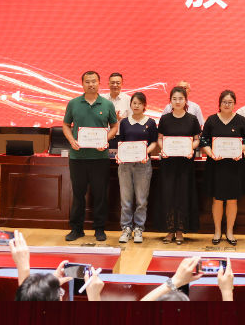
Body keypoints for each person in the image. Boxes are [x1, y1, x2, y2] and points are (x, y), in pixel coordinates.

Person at [62, 70, 119, 243]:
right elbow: (65, 125)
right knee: (78, 195)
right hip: (77, 157)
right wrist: (71, 140)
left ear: (99, 83)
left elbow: (114, 126)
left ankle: (99, 228)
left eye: (94, 81)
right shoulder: (73, 103)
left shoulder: (107, 105)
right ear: (82, 84)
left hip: (99, 158)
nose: (91, 84)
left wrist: (105, 139)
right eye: (87, 81)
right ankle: (77, 229)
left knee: (100, 195)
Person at [201, 90, 245, 247]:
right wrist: (211, 154)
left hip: (234, 166)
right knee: (217, 200)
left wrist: (240, 150)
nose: (227, 105)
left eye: (230, 102)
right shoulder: (211, 120)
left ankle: (229, 231)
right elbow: (204, 140)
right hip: (216, 165)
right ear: (220, 103)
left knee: (232, 200)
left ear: (234, 104)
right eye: (224, 102)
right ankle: (217, 231)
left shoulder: (240, 120)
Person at [156, 86, 201, 244]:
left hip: (185, 164)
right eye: (174, 99)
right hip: (168, 164)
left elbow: (197, 140)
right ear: (170, 101)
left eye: (180, 98)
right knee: (168, 196)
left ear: (186, 100)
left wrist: (190, 148)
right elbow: (160, 139)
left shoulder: (192, 119)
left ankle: (180, 230)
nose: (177, 101)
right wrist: (164, 148)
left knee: (183, 196)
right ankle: (170, 230)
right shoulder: (165, 119)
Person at [116, 92, 158, 244]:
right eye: (134, 103)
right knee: (126, 200)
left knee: (141, 200)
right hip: (125, 165)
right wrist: (120, 154)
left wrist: (144, 152)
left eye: (140, 103)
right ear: (130, 104)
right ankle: (126, 229)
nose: (137, 106)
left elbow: (154, 142)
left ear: (144, 105)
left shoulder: (151, 123)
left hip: (143, 165)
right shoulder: (124, 122)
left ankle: (139, 229)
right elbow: (122, 142)